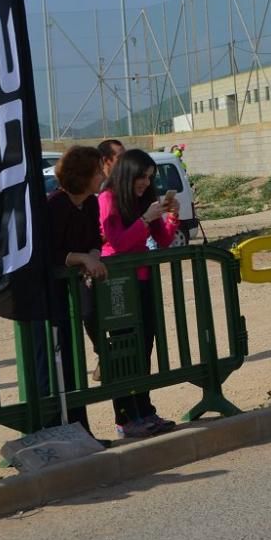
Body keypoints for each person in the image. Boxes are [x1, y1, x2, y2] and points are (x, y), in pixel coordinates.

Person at [98, 149, 180, 437]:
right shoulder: (108, 198)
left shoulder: (145, 200)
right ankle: (125, 418)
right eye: (140, 177)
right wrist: (145, 220)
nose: (145, 183)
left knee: (145, 345)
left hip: (143, 279)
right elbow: (117, 242)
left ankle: (145, 410)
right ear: (126, 174)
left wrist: (171, 216)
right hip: (117, 283)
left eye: (149, 178)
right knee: (124, 350)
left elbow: (163, 240)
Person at [36, 146, 109, 437]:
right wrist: (82, 258)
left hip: (74, 293)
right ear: (83, 174)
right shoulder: (54, 205)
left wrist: (92, 253)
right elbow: (49, 253)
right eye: (98, 171)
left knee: (75, 362)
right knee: (59, 363)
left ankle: (82, 430)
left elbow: (94, 238)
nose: (103, 175)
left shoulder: (90, 203)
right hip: (50, 297)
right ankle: (58, 430)